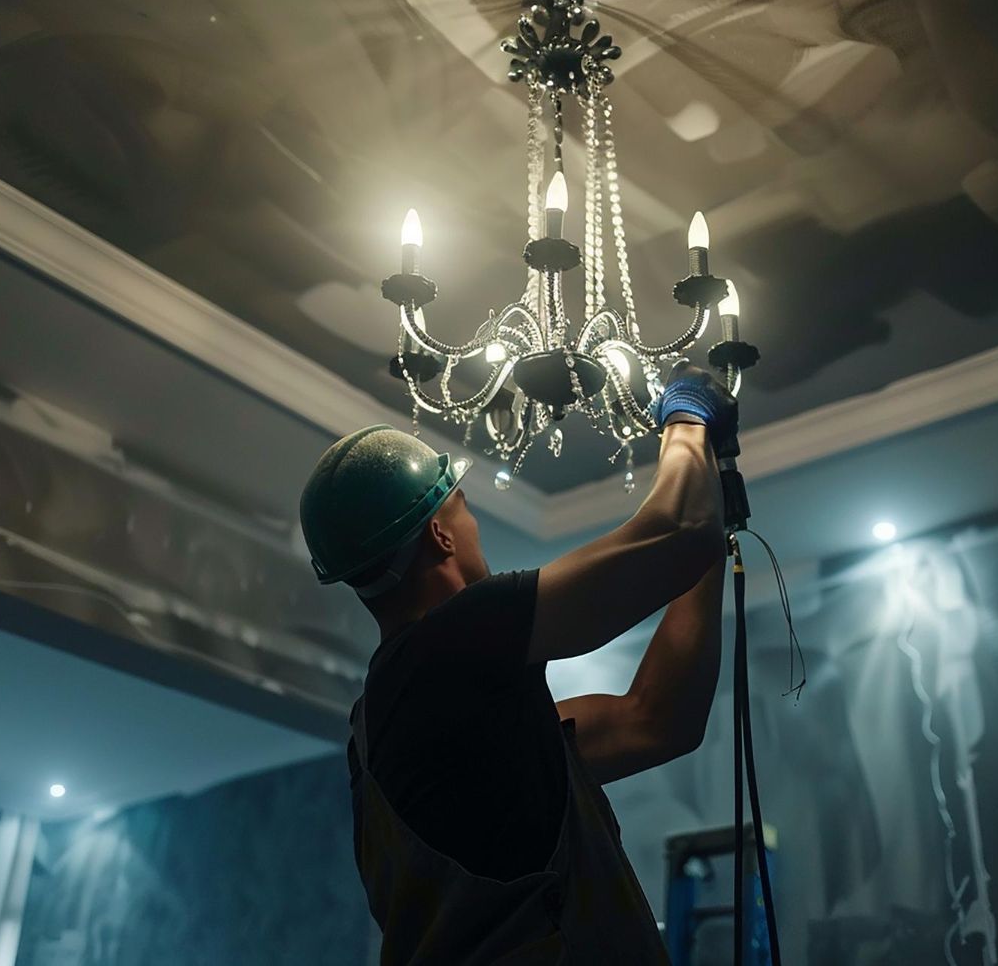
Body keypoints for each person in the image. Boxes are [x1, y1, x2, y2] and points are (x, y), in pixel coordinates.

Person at [299, 362, 738, 964]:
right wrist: (687, 414)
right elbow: (677, 530)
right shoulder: (452, 637)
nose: (473, 523)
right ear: (441, 536)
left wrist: (710, 540)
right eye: (463, 505)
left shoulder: (402, 719)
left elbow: (656, 720)